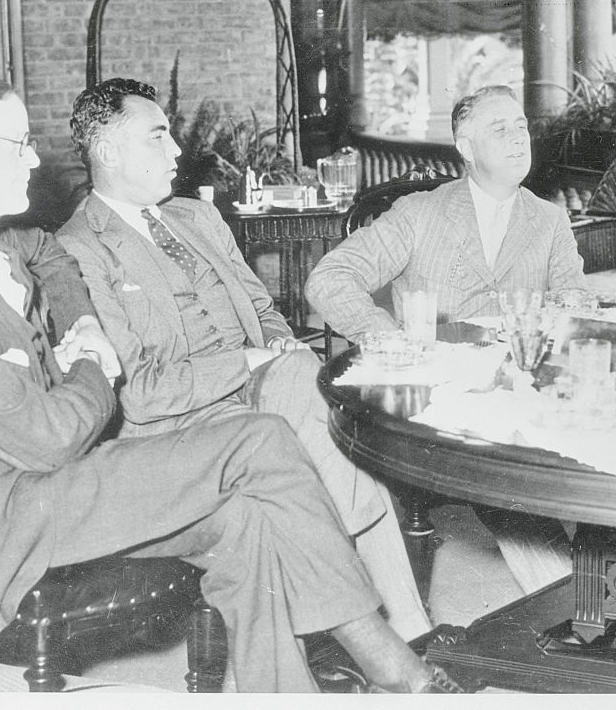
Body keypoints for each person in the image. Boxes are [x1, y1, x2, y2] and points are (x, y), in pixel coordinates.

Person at [0, 72, 458, 693]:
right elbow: (50, 438)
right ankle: (394, 663)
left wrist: (83, 322)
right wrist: (95, 359)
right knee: (263, 441)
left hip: (61, 474)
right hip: (0, 513)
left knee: (252, 512)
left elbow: (46, 255)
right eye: (18, 144)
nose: (34, 160)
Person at [56, 78, 429, 642]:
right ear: (107, 152)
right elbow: (139, 394)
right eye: (157, 137)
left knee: (313, 386)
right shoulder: (78, 247)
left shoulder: (197, 217)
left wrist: (277, 343)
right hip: (178, 425)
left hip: (260, 386)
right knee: (326, 430)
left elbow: (261, 308)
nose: (176, 150)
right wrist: (251, 362)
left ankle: (365, 625)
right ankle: (392, 626)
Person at [306, 84, 586, 596]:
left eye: (521, 126)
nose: (518, 138)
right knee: (508, 461)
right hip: (438, 399)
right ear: (465, 147)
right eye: (499, 129)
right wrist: (390, 339)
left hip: (523, 389)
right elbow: (330, 278)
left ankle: (592, 594)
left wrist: (567, 319)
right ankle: (575, 599)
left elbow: (575, 304)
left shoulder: (548, 220)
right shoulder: (421, 213)